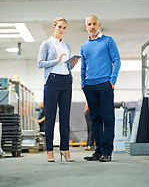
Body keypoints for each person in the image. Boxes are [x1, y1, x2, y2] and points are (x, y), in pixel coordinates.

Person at [80, 15, 121, 162]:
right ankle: (98, 151)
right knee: (95, 119)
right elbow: (83, 67)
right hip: (89, 86)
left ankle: (107, 151)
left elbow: (116, 60)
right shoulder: (84, 46)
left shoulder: (108, 41)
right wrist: (82, 84)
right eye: (89, 24)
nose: (92, 26)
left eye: (94, 24)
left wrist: (112, 81)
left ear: (99, 25)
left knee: (107, 119)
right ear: (86, 26)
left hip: (105, 85)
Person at [38, 17, 78, 162]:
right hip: (52, 81)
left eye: (64, 28)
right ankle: (50, 151)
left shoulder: (67, 45)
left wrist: (72, 63)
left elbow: (66, 66)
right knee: (50, 117)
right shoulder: (46, 44)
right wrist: (56, 60)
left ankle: (65, 150)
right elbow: (40, 63)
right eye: (60, 27)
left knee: (65, 118)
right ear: (54, 27)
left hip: (66, 81)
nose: (62, 30)